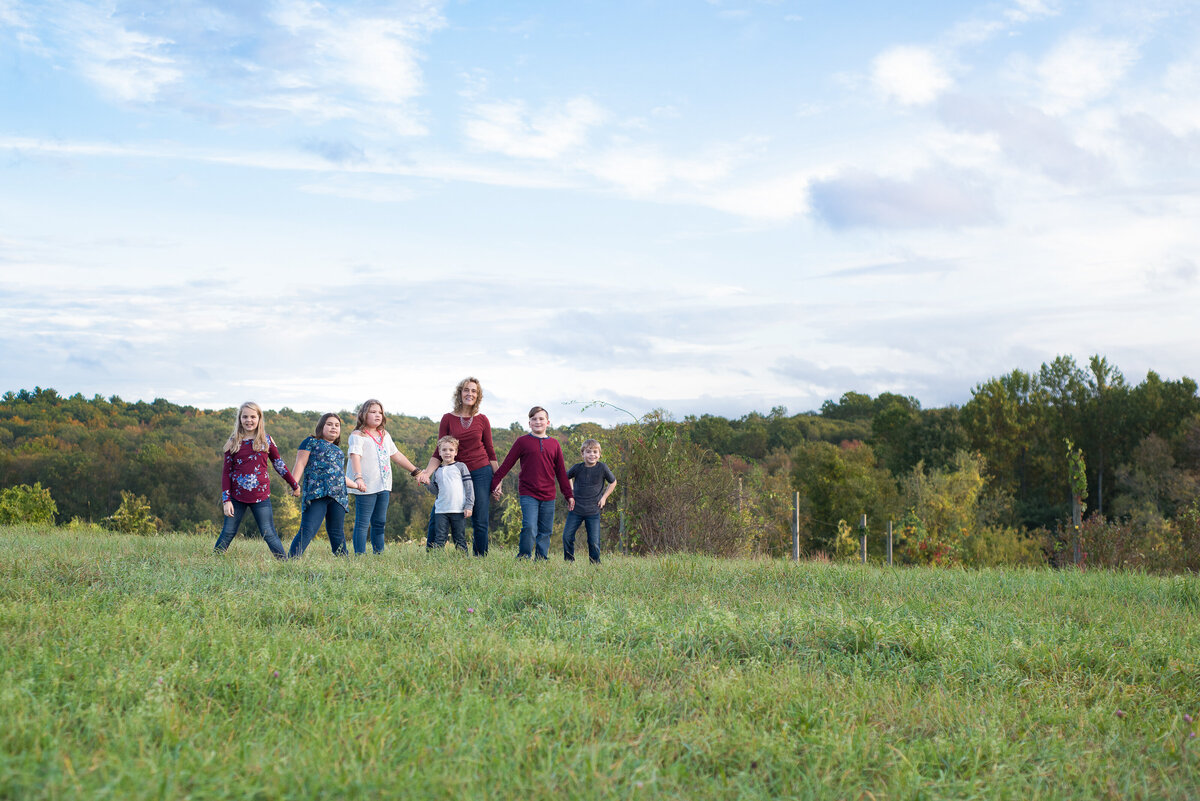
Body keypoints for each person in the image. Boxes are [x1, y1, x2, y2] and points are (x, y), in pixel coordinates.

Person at [422, 377, 498, 556]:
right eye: (466, 390)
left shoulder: (483, 420)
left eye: (473, 391)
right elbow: (438, 451)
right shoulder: (448, 418)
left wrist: (497, 479)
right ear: (460, 393)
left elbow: (490, 450)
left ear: (477, 396)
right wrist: (426, 473)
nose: (469, 394)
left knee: (479, 518)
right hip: (452, 472)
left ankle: (480, 557)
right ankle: (432, 554)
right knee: (438, 512)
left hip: (480, 472)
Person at [214, 401, 298, 558]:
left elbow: (279, 465)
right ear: (239, 419)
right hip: (236, 498)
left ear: (259, 419)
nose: (248, 420)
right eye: (244, 417)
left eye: (253, 417)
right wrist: (226, 500)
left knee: (269, 533)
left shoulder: (266, 441)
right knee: (228, 532)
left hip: (261, 497)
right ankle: (212, 564)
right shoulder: (233, 442)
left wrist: (294, 485)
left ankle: (285, 564)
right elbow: (226, 473)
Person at [491, 406, 574, 560]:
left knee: (545, 530)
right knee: (529, 526)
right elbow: (507, 464)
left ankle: (541, 558)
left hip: (549, 495)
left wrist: (568, 495)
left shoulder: (554, 444)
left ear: (548, 422)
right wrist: (495, 482)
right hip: (528, 493)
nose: (538, 422)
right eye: (534, 419)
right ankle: (523, 556)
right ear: (529, 423)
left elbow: (561, 473)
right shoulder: (522, 441)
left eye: (541, 419)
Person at [347, 398, 424, 555]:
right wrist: (358, 478)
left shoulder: (384, 435)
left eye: (380, 412)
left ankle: (379, 555)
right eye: (373, 412)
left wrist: (415, 471)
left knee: (379, 522)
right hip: (365, 485)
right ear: (363, 414)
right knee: (363, 523)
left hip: (383, 485)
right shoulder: (357, 435)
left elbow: (396, 455)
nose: (378, 415)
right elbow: (355, 456)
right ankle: (359, 556)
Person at [287, 412, 357, 559]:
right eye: (329, 424)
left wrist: (357, 485)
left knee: (336, 532)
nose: (334, 428)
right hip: (317, 493)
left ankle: (345, 563)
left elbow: (339, 475)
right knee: (308, 529)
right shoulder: (310, 442)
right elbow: (300, 463)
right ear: (321, 427)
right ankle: (291, 561)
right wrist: (294, 484)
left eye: (337, 425)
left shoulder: (338, 451)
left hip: (338, 497)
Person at [563, 439, 616, 564]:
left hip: (593, 510)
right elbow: (565, 478)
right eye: (588, 452)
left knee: (593, 541)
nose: (592, 454)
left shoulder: (602, 467)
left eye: (595, 452)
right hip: (575, 510)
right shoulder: (577, 468)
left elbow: (613, 482)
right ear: (582, 454)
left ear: (599, 454)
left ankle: (595, 564)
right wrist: (570, 493)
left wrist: (604, 498)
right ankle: (568, 562)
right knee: (566, 536)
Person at [424, 435, 475, 553]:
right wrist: (426, 483)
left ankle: (463, 561)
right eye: (444, 450)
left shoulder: (461, 467)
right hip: (441, 511)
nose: (447, 452)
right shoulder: (437, 470)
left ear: (456, 452)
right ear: (440, 453)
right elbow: (435, 491)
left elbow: (469, 487)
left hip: (458, 510)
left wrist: (469, 505)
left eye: (451, 450)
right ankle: (438, 561)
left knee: (459, 538)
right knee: (440, 538)